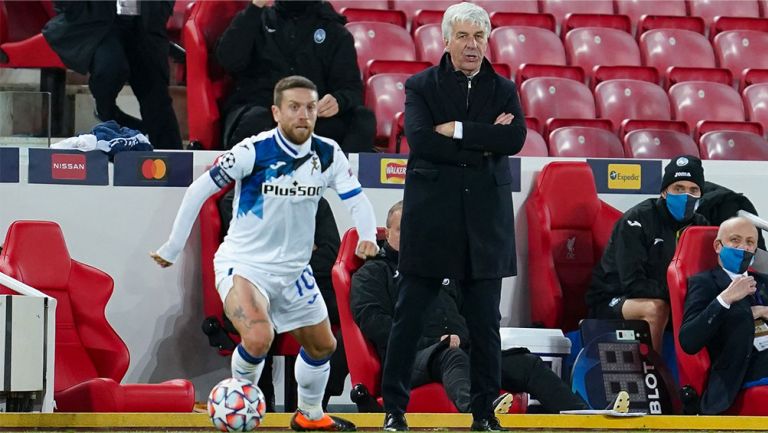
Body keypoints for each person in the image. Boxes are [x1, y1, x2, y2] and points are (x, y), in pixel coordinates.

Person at [151, 76, 378, 431]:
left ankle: (310, 415)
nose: (303, 115)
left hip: (293, 272)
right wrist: (173, 246)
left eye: (310, 107)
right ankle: (239, 413)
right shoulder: (252, 151)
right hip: (244, 265)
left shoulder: (328, 153)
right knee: (258, 337)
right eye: (294, 107)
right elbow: (198, 190)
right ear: (276, 112)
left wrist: (367, 235)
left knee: (323, 346)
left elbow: (357, 199)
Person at [379, 3, 526, 431]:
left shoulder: (504, 88)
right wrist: (485, 141)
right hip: (431, 224)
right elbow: (423, 141)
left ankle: (484, 413)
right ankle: (394, 409)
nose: (472, 45)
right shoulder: (420, 85)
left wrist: (459, 130)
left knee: (486, 324)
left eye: (479, 37)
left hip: (485, 226)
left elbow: (514, 137)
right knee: (409, 318)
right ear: (445, 41)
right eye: (463, 36)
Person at [352, 202, 589, 415]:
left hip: (461, 349)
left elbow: (472, 314)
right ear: (387, 233)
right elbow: (374, 322)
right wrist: (435, 341)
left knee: (527, 363)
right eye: (402, 229)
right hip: (408, 360)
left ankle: (585, 417)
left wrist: (472, 340)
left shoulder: (443, 270)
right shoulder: (374, 272)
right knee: (451, 355)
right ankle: (477, 414)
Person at [218, 195, 349, 411]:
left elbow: (329, 256)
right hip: (255, 288)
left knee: (347, 319)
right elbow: (248, 257)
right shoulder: (238, 201)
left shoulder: (314, 200)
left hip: (308, 287)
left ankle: (313, 408)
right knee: (261, 324)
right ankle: (258, 408)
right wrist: (300, 253)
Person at [586, 155, 709, 354]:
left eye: (693, 190)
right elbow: (632, 283)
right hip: (614, 298)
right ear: (664, 192)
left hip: (673, 299)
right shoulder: (638, 220)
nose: (686, 195)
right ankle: (655, 373)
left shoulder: (701, 225)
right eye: (678, 188)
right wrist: (679, 295)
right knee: (656, 309)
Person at [216, 0, 375, 152]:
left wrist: (339, 100)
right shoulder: (257, 18)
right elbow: (228, 61)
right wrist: (254, 8)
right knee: (256, 119)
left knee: (362, 119)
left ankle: (342, 178)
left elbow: (352, 89)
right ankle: (249, 177)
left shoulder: (334, 31)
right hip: (264, 110)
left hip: (312, 117)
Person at [42, 0, 182, 149]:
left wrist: (161, 9)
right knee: (111, 67)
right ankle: (106, 110)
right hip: (98, 22)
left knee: (156, 95)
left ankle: (173, 158)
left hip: (145, 22)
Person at [679, 216, 768, 414]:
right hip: (741, 368)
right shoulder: (705, 283)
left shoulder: (763, 282)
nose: (743, 247)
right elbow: (688, 340)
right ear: (718, 246)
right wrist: (725, 299)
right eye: (735, 240)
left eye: (750, 242)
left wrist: (762, 311)